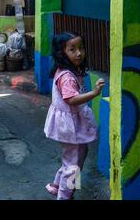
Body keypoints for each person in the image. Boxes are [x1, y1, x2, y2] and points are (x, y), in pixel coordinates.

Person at [44, 32, 105, 200]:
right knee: (74, 163)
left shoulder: (68, 70)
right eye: (72, 49)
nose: (79, 53)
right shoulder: (67, 77)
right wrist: (94, 93)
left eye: (81, 48)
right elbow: (71, 99)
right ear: (62, 53)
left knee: (75, 155)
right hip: (69, 125)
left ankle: (57, 185)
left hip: (70, 122)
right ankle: (65, 195)